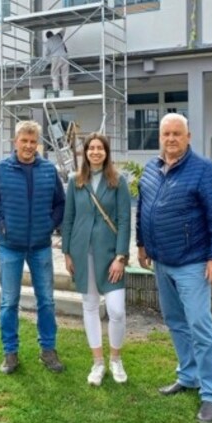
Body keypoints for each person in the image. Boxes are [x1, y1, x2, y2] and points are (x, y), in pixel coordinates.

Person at [136, 113, 212, 423]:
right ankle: (188, 376)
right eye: (166, 134)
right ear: (159, 137)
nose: (171, 139)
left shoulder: (205, 171)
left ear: (189, 136)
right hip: (161, 262)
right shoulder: (151, 169)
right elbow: (143, 210)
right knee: (176, 322)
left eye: (177, 134)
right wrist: (141, 244)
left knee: (201, 328)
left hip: (192, 263)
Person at [0, 120, 67, 374]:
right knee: (9, 301)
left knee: (47, 301)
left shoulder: (49, 170)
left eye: (32, 141)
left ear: (37, 143)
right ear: (15, 142)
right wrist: (3, 226)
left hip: (40, 246)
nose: (28, 146)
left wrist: (49, 225)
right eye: (24, 141)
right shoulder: (1, 169)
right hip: (10, 247)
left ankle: (48, 350)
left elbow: (60, 204)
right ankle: (10, 353)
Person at [61, 133, 131, 386]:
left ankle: (116, 359)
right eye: (91, 148)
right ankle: (98, 362)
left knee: (116, 310)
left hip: (111, 255)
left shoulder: (118, 182)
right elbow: (67, 219)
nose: (95, 152)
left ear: (106, 152)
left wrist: (121, 257)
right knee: (90, 306)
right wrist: (66, 252)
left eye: (100, 148)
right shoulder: (75, 181)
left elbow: (124, 221)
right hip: (81, 253)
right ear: (85, 153)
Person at [44, 27, 69, 93]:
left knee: (54, 74)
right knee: (65, 74)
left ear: (47, 37)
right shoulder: (58, 36)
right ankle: (65, 89)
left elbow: (46, 53)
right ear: (52, 34)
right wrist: (64, 26)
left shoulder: (47, 42)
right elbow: (63, 30)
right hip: (64, 56)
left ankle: (56, 90)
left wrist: (47, 62)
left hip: (55, 58)